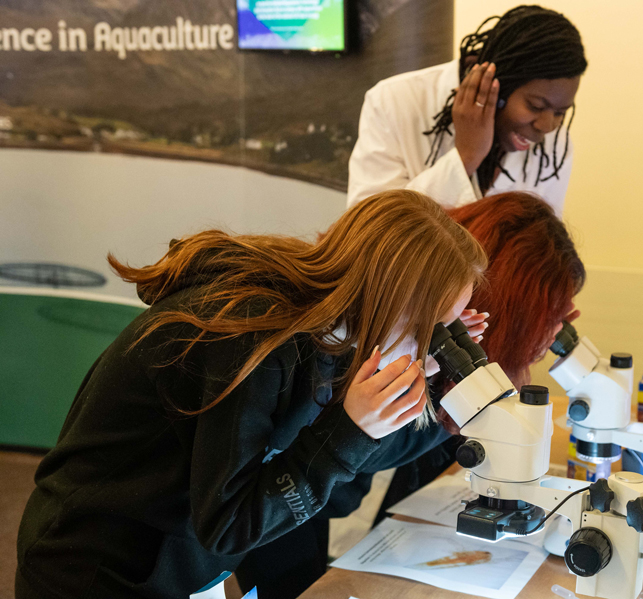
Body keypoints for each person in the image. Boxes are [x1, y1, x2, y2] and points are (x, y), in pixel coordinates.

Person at [15, 190, 488, 599]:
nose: (436, 340)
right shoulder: (250, 333)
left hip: (174, 561)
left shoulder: (327, 331)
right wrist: (350, 430)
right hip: (98, 568)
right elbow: (229, 524)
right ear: (389, 298)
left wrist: (417, 357)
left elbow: (321, 485)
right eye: (433, 325)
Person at [374, 191, 585, 523]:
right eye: (543, 321)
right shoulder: (401, 367)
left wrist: (529, 342)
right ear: (505, 315)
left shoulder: (435, 371)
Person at [347, 5, 587, 216]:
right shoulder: (394, 102)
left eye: (560, 113)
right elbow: (367, 230)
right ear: (497, 83)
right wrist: (466, 157)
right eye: (535, 106)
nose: (546, 126)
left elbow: (542, 247)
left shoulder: (555, 146)